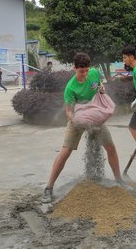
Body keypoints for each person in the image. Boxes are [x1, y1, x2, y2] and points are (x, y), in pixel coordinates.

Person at [41, 52, 123, 203]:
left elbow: (99, 84)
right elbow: (68, 111)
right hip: (78, 117)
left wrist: (101, 88)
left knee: (111, 147)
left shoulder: (94, 73)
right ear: (74, 68)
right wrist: (77, 121)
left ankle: (119, 180)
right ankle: (49, 187)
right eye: (81, 71)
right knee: (65, 152)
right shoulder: (70, 88)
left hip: (94, 114)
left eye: (86, 70)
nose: (84, 74)